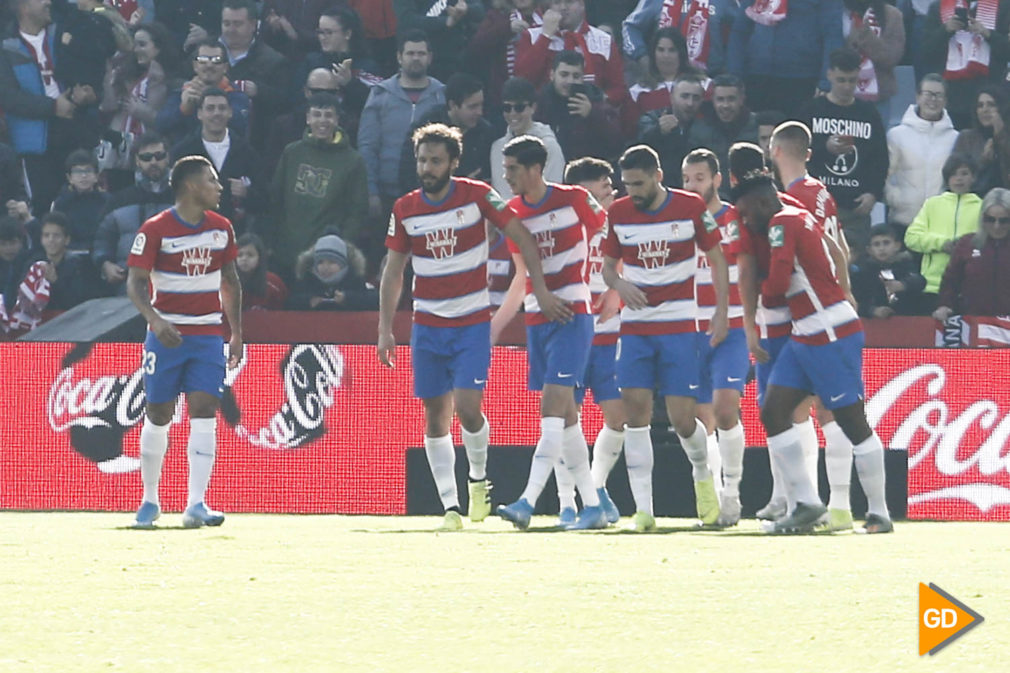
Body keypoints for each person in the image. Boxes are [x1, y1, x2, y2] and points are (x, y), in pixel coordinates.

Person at [378, 123, 564, 532]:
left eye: (436, 160)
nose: (427, 167)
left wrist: (540, 287)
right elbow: (393, 270)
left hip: (471, 323)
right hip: (427, 324)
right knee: (433, 415)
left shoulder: (478, 196)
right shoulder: (405, 208)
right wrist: (385, 328)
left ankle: (478, 479)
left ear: (453, 163)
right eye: (422, 159)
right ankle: (450, 507)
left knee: (467, 409)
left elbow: (522, 236)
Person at [732, 170, 892, 534]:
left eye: (745, 213)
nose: (744, 221)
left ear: (760, 203)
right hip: (807, 331)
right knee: (772, 411)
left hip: (829, 329)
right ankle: (806, 503)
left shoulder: (782, 223)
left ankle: (880, 513)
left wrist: (758, 288)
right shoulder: (799, 214)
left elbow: (777, 283)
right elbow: (837, 252)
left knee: (850, 419)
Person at [599, 144, 730, 532]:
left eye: (638, 183)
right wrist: (621, 283)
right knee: (634, 415)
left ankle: (703, 477)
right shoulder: (618, 212)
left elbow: (719, 258)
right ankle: (644, 510)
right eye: (626, 184)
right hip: (636, 328)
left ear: (658, 176)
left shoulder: (690, 208)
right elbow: (608, 268)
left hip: (678, 327)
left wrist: (721, 312)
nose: (632, 191)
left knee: (683, 419)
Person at [491, 135, 609, 531]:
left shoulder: (574, 200)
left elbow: (610, 240)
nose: (506, 176)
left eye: (511, 169)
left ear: (535, 169)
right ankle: (591, 506)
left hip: (573, 313)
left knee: (552, 408)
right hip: (537, 318)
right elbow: (521, 275)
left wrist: (612, 289)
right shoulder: (511, 213)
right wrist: (494, 326)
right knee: (569, 417)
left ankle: (527, 500)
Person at [127, 154, 243, 529]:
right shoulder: (156, 229)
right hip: (167, 336)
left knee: (205, 409)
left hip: (208, 334)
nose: (219, 187)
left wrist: (236, 331)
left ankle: (196, 503)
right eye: (212, 180)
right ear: (192, 185)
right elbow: (134, 282)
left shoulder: (222, 228)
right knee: (159, 414)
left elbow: (230, 280)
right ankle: (150, 500)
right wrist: (155, 320)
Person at [763, 121, 858, 530]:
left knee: (796, 409)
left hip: (807, 310)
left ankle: (808, 502)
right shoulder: (821, 192)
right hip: (835, 302)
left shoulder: (791, 199)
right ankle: (820, 503)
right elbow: (842, 248)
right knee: (825, 408)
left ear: (774, 150)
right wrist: (847, 287)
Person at [549, 156, 624, 526]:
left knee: (619, 417)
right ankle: (566, 503)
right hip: (575, 332)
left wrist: (619, 295)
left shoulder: (623, 224)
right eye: (600, 189)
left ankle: (594, 488)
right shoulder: (565, 227)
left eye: (610, 187)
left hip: (612, 335)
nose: (610, 193)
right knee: (566, 418)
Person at [680, 149, 747, 526]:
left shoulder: (734, 218)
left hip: (732, 327)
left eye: (700, 178)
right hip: (690, 330)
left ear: (717, 180)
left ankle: (733, 493)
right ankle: (711, 497)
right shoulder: (678, 220)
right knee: (698, 421)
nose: (692, 186)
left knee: (725, 410)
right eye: (687, 179)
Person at [0, 0, 101, 213]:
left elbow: (92, 63)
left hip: (75, 130)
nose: (48, 2)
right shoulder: (5, 46)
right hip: (35, 144)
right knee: (42, 206)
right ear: (23, 7)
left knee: (83, 202)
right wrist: (52, 107)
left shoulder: (65, 33)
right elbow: (9, 98)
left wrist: (91, 92)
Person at [800, 47, 888, 259]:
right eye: (841, 80)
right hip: (817, 205)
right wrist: (824, 148)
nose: (847, 86)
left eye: (851, 80)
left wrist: (874, 193)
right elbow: (796, 153)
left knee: (854, 270)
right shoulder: (812, 110)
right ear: (829, 74)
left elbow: (881, 158)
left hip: (855, 208)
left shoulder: (868, 113)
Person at [269, 92, 368, 278]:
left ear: (338, 119)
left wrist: (340, 247)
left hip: (326, 261)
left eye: (329, 115)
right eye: (317, 115)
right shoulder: (292, 152)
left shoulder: (353, 160)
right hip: (285, 252)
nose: (323, 121)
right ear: (308, 118)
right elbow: (276, 199)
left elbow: (357, 211)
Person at [358, 30, 445, 219]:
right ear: (399, 57)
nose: (416, 58)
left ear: (430, 58)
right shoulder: (380, 95)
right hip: (386, 194)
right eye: (410, 53)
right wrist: (371, 191)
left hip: (431, 194)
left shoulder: (442, 97)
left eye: (421, 54)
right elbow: (367, 147)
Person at [171, 88, 268, 234]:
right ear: (199, 114)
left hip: (234, 236)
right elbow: (171, 197)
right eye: (210, 108)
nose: (216, 113)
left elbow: (265, 200)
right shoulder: (183, 152)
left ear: (230, 112)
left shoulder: (247, 153)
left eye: (222, 108)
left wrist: (246, 193)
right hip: (193, 234)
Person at [99, 21, 180, 191]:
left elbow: (164, 122)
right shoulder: (124, 71)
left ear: (159, 47)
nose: (136, 50)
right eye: (135, 44)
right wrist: (107, 77)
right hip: (119, 148)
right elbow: (108, 107)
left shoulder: (170, 80)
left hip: (150, 151)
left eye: (142, 44)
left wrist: (140, 111)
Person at [727, 0, 843, 116]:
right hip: (756, 77)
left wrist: (826, 82)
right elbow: (740, 32)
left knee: (795, 131)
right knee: (758, 131)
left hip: (802, 80)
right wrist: (735, 77)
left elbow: (832, 36)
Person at [93, 132, 174, 297]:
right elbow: (102, 239)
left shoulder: (186, 197)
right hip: (129, 287)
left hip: (174, 286)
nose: (153, 162)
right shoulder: (120, 199)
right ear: (137, 161)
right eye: (146, 157)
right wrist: (105, 264)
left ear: (168, 158)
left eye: (159, 156)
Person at [905, 154, 982, 312]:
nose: (958, 179)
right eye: (953, 174)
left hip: (969, 287)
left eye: (964, 173)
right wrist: (942, 244)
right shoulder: (932, 204)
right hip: (931, 286)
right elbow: (911, 237)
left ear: (973, 177)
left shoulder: (983, 206)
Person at [514, 0, 626, 108]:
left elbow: (618, 89)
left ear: (582, 4)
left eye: (569, 1)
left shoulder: (603, 40)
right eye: (557, 2)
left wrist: (597, 101)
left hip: (591, 118)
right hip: (545, 116)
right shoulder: (532, 36)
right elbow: (522, 80)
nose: (563, 7)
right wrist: (546, 36)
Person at [398, 73, 495, 193]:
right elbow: (407, 174)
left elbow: (491, 188)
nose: (479, 112)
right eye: (472, 107)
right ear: (453, 105)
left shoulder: (485, 132)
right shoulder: (425, 128)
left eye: (481, 105)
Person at [885, 74, 959, 231]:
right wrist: (897, 200)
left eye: (939, 95)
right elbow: (884, 174)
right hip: (902, 221)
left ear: (945, 101)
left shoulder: (955, 138)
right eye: (928, 94)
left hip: (940, 223)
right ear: (918, 96)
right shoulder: (897, 135)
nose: (933, 100)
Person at [921, 0, 1010, 129]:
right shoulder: (938, 8)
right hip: (952, 97)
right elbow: (926, 54)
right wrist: (945, 30)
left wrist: (988, 34)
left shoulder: (1003, 6)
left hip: (989, 95)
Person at [217, 0, 290, 147]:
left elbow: (285, 102)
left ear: (253, 25)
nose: (231, 29)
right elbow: (179, 80)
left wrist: (259, 91)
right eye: (226, 23)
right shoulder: (205, 53)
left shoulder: (274, 61)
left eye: (237, 24)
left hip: (253, 141)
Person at [156, 39, 252, 144]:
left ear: (225, 67)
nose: (209, 65)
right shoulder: (180, 94)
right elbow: (160, 126)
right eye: (203, 60)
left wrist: (207, 97)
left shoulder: (237, 95)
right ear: (195, 66)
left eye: (216, 60)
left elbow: (240, 125)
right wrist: (183, 110)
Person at [534, 50, 623, 164]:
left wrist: (592, 114)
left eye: (576, 76)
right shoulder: (541, 102)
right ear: (552, 75)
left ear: (583, 78)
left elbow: (616, 144)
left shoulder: (597, 100)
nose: (570, 81)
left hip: (589, 170)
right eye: (564, 75)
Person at [933, 187, 1010, 319]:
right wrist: (944, 305)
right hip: (973, 322)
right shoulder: (967, 243)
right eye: (990, 219)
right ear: (982, 218)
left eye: (1004, 221)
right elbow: (950, 281)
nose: (997, 226)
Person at [489, 76, 566, 199]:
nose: (513, 113)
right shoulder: (497, 148)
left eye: (519, 108)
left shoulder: (549, 147)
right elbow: (498, 194)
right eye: (507, 108)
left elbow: (553, 192)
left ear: (533, 107)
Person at [687, 75, 759, 197]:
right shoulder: (699, 129)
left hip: (751, 195)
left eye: (731, 99)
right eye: (720, 99)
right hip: (713, 198)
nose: (725, 105)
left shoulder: (757, 125)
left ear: (742, 99)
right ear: (713, 100)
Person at [264, 67, 341, 175]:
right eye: (317, 92)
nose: (323, 96)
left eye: (329, 92)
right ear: (306, 92)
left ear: (337, 93)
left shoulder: (348, 125)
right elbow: (272, 167)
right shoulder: (283, 125)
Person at [840, 0, 905, 125]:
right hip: (843, 95)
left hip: (879, 97)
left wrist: (863, 32)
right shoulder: (838, 12)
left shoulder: (892, 15)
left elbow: (891, 57)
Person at [637, 74, 706, 188]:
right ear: (672, 97)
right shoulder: (652, 118)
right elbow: (639, 144)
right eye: (685, 96)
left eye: (696, 98)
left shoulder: (704, 126)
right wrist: (658, 131)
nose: (690, 103)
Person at [19, 211, 97, 311]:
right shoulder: (32, 264)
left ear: (67, 240)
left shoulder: (78, 266)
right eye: (46, 235)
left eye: (56, 236)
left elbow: (77, 302)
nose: (51, 240)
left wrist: (55, 282)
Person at [394, 0, 486, 82]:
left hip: (454, 59)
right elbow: (408, 21)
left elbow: (480, 10)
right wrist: (445, 22)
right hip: (419, 59)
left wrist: (466, 9)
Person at [852, 223, 927, 318]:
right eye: (876, 244)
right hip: (873, 326)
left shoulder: (905, 265)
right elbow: (855, 303)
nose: (882, 248)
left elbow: (920, 281)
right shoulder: (862, 274)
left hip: (907, 321)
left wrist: (904, 284)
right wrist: (872, 310)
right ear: (869, 250)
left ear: (897, 246)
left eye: (886, 243)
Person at [288, 232, 377, 310]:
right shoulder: (307, 280)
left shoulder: (354, 280)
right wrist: (308, 302)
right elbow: (289, 303)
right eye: (320, 262)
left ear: (343, 265)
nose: (325, 267)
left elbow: (373, 300)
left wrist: (347, 299)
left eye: (332, 262)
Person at [950, 86, 1010, 195]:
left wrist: (1001, 136)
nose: (985, 109)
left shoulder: (1006, 137)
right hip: (973, 202)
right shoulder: (966, 138)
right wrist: (983, 161)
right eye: (980, 105)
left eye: (991, 104)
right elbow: (954, 175)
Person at [52, 150, 109, 254]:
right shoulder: (61, 203)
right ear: (69, 178)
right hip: (70, 253)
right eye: (78, 172)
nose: (83, 176)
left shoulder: (107, 201)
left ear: (96, 176)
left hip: (100, 252)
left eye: (88, 171)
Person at [235, 232, 287, 310]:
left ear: (260, 258)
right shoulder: (226, 283)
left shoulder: (274, 283)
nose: (244, 259)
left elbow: (284, 312)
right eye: (240, 255)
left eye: (250, 255)